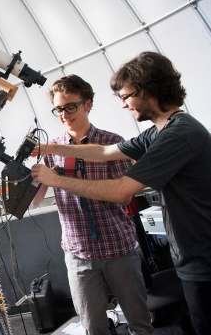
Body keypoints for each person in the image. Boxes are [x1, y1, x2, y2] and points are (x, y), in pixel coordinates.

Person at [32, 52, 211, 335]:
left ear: (148, 90)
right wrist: (51, 149)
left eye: (126, 96)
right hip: (191, 258)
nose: (124, 104)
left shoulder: (180, 134)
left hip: (204, 261)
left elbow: (120, 191)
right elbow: (103, 152)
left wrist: (57, 180)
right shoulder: (158, 132)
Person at [42, 75, 152, 335]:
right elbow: (32, 199)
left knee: (140, 325)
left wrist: (62, 181)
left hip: (119, 249)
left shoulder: (113, 143)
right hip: (78, 255)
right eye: (59, 109)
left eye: (71, 106)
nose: (64, 114)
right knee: (94, 329)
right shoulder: (51, 150)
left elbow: (125, 196)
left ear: (88, 104)